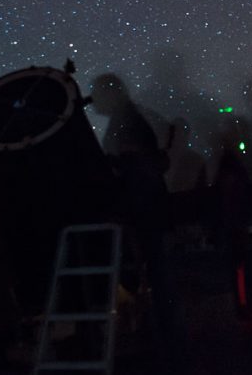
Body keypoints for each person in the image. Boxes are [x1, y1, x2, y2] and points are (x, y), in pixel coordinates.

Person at [91, 74, 180, 344]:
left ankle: (166, 343)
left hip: (142, 212)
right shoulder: (130, 119)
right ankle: (166, 339)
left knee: (155, 278)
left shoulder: (125, 123)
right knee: (156, 278)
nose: (93, 99)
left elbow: (135, 168)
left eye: (97, 93)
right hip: (148, 210)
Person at [213, 130, 251, 317]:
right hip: (236, 222)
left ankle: (235, 306)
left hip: (230, 222)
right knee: (238, 266)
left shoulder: (224, 168)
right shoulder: (237, 168)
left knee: (232, 266)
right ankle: (240, 305)